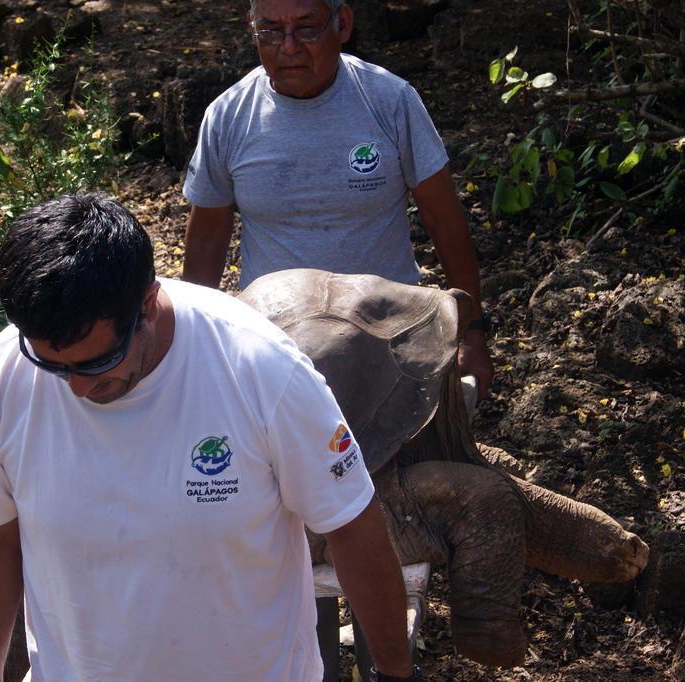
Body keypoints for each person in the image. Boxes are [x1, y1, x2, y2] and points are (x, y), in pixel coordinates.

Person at [0, 192, 419, 681]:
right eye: (52, 365)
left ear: (147, 305)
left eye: (97, 363)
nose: (78, 388)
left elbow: (349, 522)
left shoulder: (259, 369)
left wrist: (396, 674)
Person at [180, 0, 492, 678]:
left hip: (396, 355)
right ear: (251, 33)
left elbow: (445, 219)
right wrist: (189, 361)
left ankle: (395, 655)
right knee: (294, 525)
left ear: (342, 25)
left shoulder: (387, 101)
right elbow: (204, 245)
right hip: (278, 354)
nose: (288, 47)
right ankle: (310, 656)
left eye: (307, 29)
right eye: (270, 31)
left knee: (396, 513)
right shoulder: (230, 117)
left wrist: (473, 337)